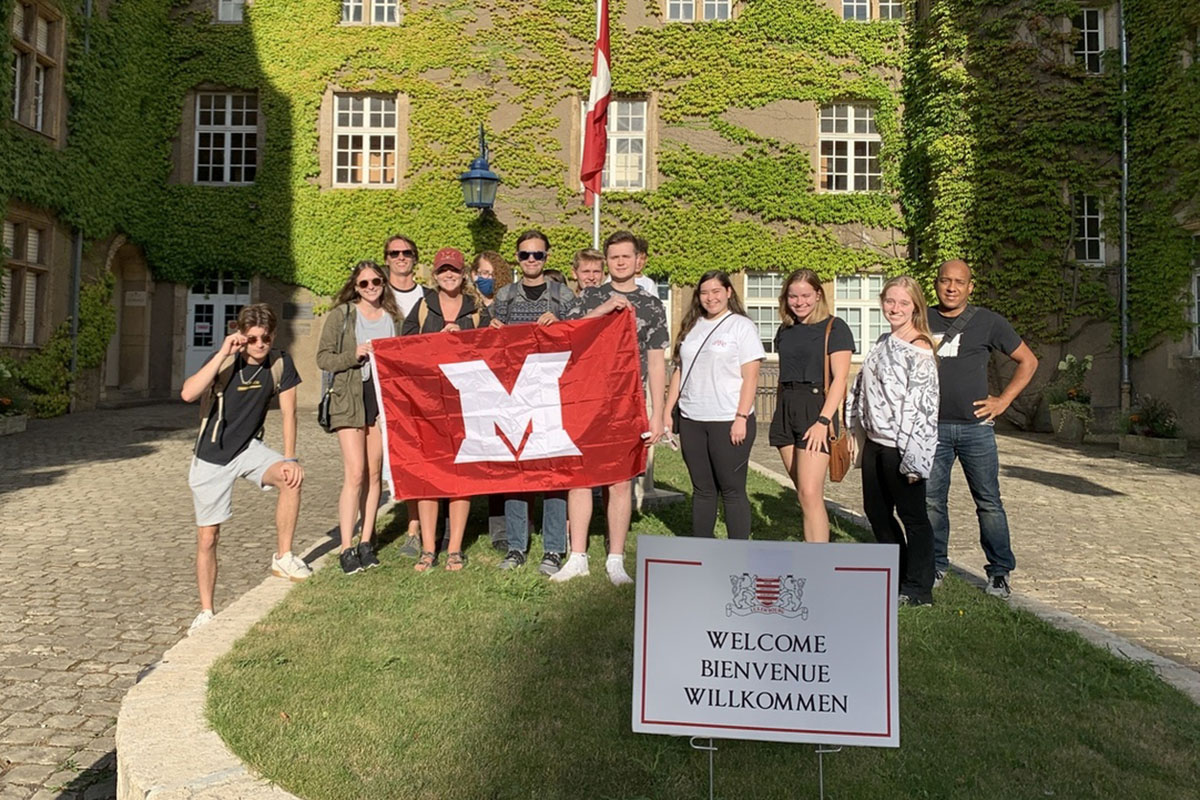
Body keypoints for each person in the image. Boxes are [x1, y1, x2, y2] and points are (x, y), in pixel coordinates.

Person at [181, 303, 308, 635]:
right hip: (211, 456)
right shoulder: (226, 360)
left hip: (248, 449)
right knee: (208, 538)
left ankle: (283, 556)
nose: (260, 345)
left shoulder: (281, 363)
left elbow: (290, 413)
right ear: (241, 335)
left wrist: (291, 457)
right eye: (252, 338)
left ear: (273, 336)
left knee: (290, 477)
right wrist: (224, 350)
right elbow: (188, 393)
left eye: (265, 337)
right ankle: (206, 610)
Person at [552, 230, 669, 585]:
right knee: (580, 479)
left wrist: (658, 413)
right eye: (613, 257)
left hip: (628, 402)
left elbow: (658, 360)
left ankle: (616, 558)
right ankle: (577, 556)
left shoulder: (651, 305)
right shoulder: (590, 297)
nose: (619, 262)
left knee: (620, 481)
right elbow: (565, 334)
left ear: (639, 261)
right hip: (585, 399)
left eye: (626, 256)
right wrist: (602, 310)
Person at [926, 259, 1038, 599]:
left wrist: (1003, 401)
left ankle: (1000, 573)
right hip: (931, 428)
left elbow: (1028, 361)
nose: (951, 287)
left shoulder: (989, 322)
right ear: (936, 284)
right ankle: (934, 566)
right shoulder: (921, 318)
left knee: (989, 502)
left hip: (976, 428)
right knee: (931, 502)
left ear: (970, 287)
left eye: (959, 282)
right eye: (946, 281)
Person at [486, 230, 580, 576]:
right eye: (525, 255)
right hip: (515, 395)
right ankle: (516, 545)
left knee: (553, 474)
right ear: (516, 258)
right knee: (518, 472)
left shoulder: (563, 296)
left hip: (553, 396)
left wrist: (564, 324)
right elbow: (492, 349)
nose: (531, 260)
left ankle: (554, 548)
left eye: (537, 255)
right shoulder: (506, 296)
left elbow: (583, 336)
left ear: (547, 257)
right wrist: (493, 327)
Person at [847, 276, 940, 606]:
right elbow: (862, 387)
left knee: (913, 517)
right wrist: (852, 425)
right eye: (890, 301)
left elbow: (924, 408)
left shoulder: (920, 348)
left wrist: (914, 458)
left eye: (903, 303)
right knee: (876, 512)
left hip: (901, 447)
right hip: (874, 443)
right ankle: (895, 575)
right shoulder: (884, 340)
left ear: (915, 306)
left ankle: (919, 588)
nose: (895, 308)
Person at [316, 260, 404, 575]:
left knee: (373, 474)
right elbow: (323, 358)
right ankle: (345, 546)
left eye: (376, 282)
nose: (371, 288)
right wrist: (353, 355)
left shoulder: (393, 317)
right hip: (349, 398)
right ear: (356, 286)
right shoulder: (342, 315)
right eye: (364, 283)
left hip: (380, 400)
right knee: (354, 474)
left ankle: (367, 541)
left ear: (384, 283)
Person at [663, 270, 764, 539]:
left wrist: (741, 417)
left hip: (728, 419)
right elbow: (679, 371)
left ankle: (737, 553)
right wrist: (667, 411)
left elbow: (751, 376)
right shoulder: (692, 326)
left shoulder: (741, 327)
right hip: (692, 418)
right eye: (705, 292)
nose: (711, 297)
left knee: (732, 490)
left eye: (716, 291)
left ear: (729, 292)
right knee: (702, 489)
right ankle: (703, 550)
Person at [401, 247, 481, 572]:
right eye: (443, 270)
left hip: (465, 404)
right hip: (428, 404)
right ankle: (428, 549)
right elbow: (403, 349)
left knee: (461, 476)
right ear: (435, 275)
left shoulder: (476, 309)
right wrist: (436, 340)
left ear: (464, 275)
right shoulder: (422, 308)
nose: (449, 275)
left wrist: (464, 340)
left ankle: (455, 548)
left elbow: (492, 352)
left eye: (455, 270)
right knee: (430, 476)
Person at [768, 269, 854, 543]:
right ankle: (810, 555)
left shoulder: (835, 327)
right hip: (786, 408)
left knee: (809, 493)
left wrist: (823, 421)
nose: (799, 301)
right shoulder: (785, 329)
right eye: (793, 296)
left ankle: (818, 563)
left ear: (818, 295)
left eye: (806, 295)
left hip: (816, 410)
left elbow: (840, 379)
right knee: (804, 493)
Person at [384, 234, 425, 319]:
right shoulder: (378, 295)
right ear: (386, 260)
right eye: (394, 253)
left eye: (407, 253)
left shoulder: (429, 297)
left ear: (415, 259)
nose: (401, 257)